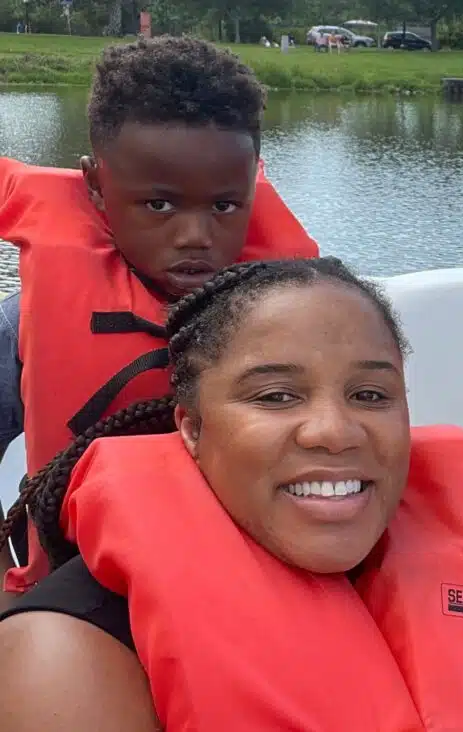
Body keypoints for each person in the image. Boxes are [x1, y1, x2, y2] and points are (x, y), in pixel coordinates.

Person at [0, 257, 463, 731]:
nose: (335, 431)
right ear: (192, 428)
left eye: (370, 395)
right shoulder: (62, 658)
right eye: (275, 397)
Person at [0, 36, 319, 602]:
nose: (195, 237)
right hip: (82, 580)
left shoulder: (300, 308)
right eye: (159, 205)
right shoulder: (23, 324)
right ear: (95, 184)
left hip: (237, 584)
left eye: (224, 206)